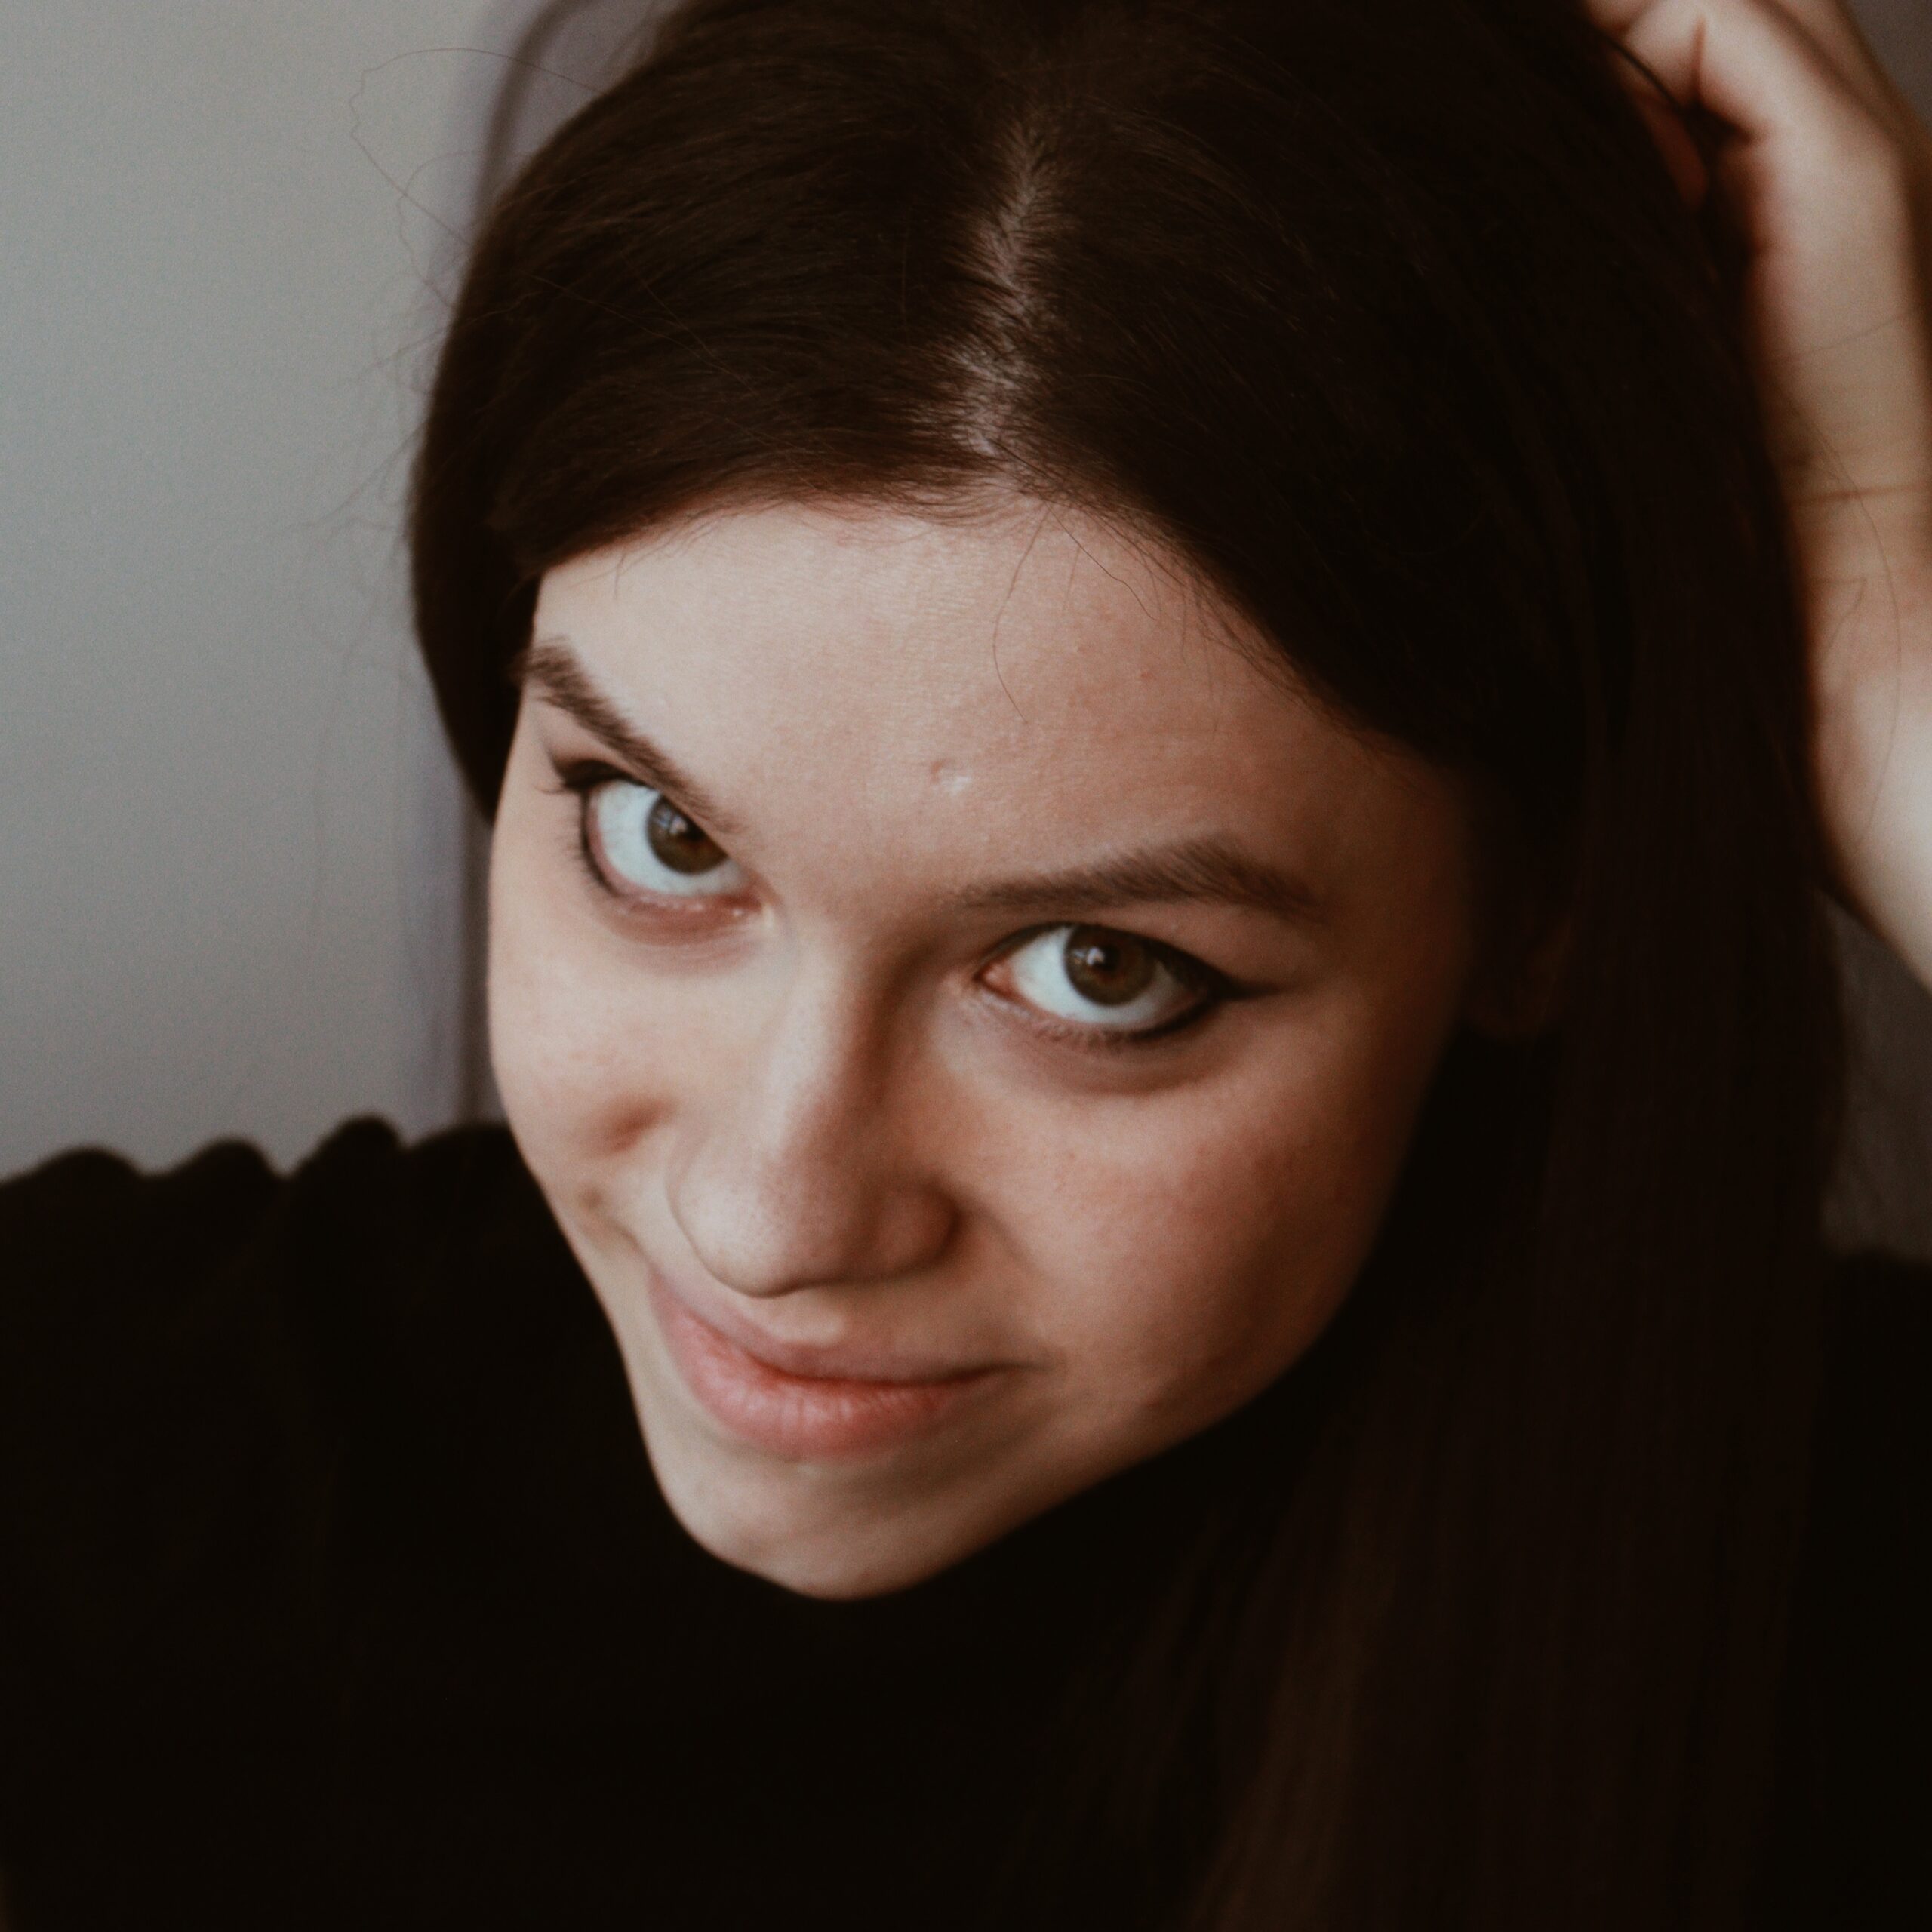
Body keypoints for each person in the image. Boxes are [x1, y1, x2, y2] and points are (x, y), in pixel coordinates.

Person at [2, 0, 1927, 1925]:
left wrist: (1884, 682)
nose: (771, 1221)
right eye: (662, 838)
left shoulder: (1835, 1618)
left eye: (1098, 968)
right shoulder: (98, 1463)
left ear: (1543, 903)